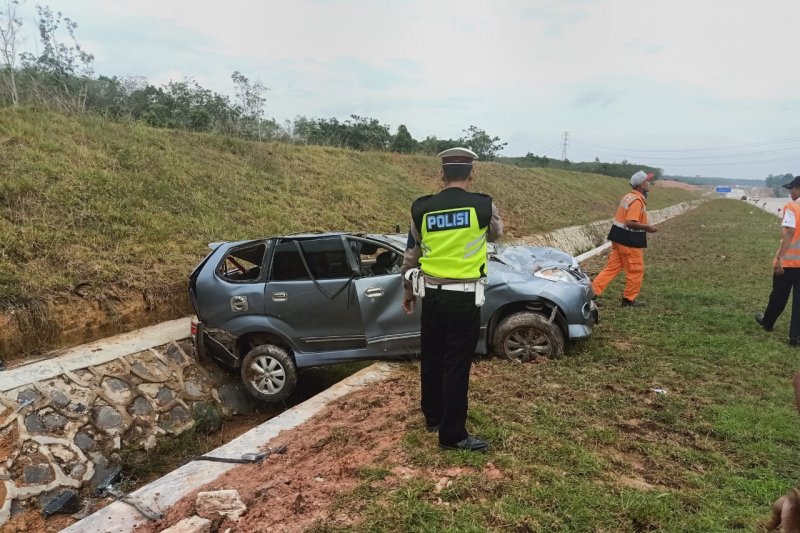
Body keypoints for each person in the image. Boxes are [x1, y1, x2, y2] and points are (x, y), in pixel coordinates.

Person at [401, 147, 503, 452]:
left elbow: (410, 256)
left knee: (431, 358)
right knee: (456, 364)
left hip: (430, 297)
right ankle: (452, 435)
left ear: (441, 175)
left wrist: (408, 293)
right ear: (471, 174)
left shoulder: (421, 209)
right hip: (463, 299)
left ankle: (433, 417)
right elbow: (497, 234)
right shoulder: (483, 206)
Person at [591, 170, 658, 307]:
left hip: (618, 238)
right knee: (635, 270)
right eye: (647, 181)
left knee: (612, 268)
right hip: (629, 241)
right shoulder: (637, 200)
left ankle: (591, 294)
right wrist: (647, 228)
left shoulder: (628, 196)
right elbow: (630, 222)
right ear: (641, 185)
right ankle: (629, 300)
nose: (649, 183)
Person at [756, 176, 800, 346]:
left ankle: (767, 323)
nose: (791, 193)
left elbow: (789, 231)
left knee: (779, 295)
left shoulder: (793, 207)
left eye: (792, 189)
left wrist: (780, 257)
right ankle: (795, 337)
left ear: (798, 188)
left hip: (789, 262)